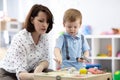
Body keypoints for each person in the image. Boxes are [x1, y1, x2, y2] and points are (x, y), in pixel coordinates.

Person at [0, 4, 53, 80]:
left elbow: (46, 60)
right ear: (32, 20)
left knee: (51, 73)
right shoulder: (20, 39)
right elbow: (21, 74)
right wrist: (37, 76)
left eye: (47, 22)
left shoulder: (44, 36)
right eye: (41, 21)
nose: (45, 25)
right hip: (9, 73)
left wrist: (40, 67)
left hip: (29, 71)